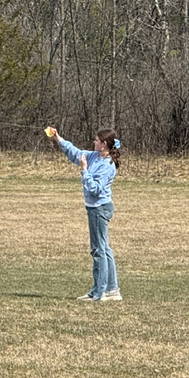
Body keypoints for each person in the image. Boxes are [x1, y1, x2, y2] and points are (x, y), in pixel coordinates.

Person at [46, 126, 122, 302]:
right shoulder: (94, 155)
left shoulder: (108, 165)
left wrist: (84, 171)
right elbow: (76, 153)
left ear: (103, 144)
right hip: (95, 208)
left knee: (98, 250)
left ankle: (99, 292)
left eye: (96, 140)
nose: (93, 142)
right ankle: (112, 289)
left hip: (99, 209)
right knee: (104, 248)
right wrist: (58, 138)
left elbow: (95, 189)